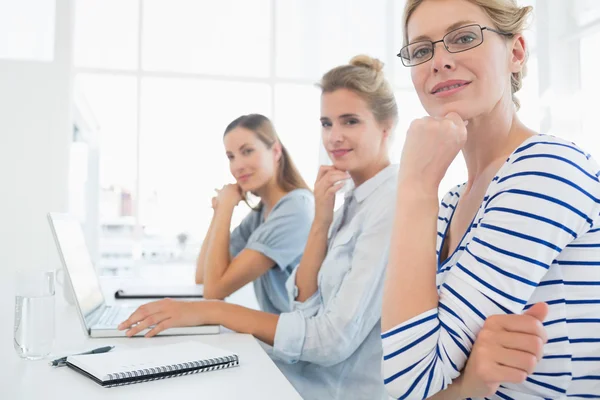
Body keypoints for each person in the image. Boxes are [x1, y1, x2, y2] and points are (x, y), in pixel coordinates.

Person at [119, 55, 399, 400]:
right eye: (326, 123)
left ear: (387, 127)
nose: (334, 136)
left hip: (325, 388)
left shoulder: (387, 203)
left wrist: (211, 310)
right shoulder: (347, 202)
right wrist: (322, 220)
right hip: (299, 369)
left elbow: (331, 340)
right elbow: (305, 304)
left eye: (350, 121)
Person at [381, 0, 600, 399]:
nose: (440, 61)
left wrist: (414, 185)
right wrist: (466, 384)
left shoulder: (546, 169)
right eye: (421, 50)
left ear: (515, 53)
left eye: (464, 37)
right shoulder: (449, 203)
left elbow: (409, 383)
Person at [194, 114, 314, 314]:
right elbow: (202, 278)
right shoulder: (261, 214)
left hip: (299, 341)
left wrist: (226, 208)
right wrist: (218, 213)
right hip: (278, 339)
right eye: (231, 157)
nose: (237, 166)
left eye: (247, 151)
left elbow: (214, 291)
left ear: (275, 151)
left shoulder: (295, 211)